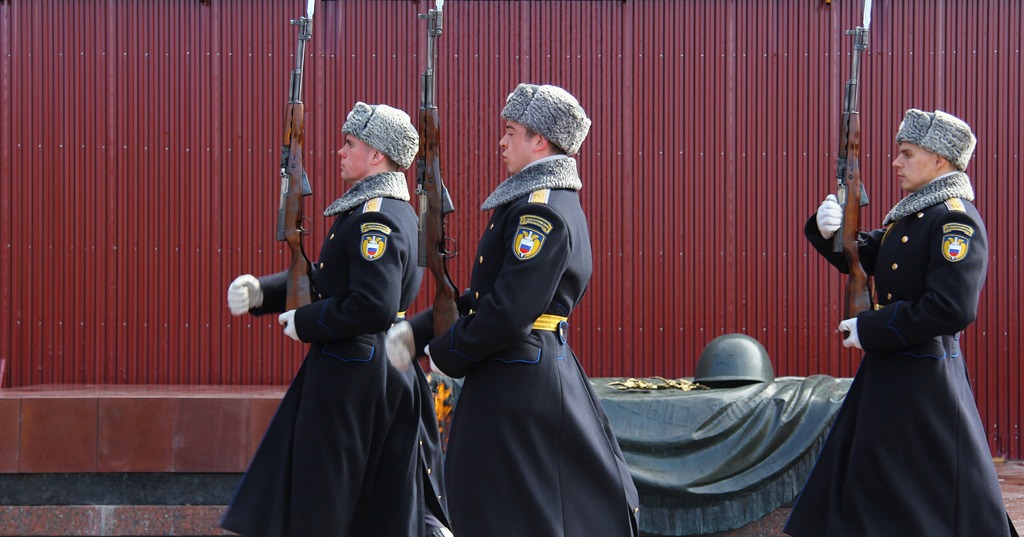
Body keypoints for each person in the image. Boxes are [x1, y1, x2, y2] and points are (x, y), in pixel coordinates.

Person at [392, 83, 640, 536]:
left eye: (510, 132)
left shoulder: (540, 213)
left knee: (508, 508)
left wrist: (447, 353)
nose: (501, 142)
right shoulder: (533, 202)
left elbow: (507, 312)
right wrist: (422, 330)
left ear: (539, 140)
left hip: (518, 379)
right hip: (519, 369)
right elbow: (489, 296)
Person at [220, 102, 450, 537]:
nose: (340, 152)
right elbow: (329, 281)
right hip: (368, 370)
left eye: (351, 144)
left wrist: (306, 322)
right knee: (367, 502)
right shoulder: (374, 209)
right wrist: (262, 293)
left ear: (377, 155)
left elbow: (371, 305)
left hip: (354, 377)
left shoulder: (375, 217)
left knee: (327, 498)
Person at [785, 109, 1017, 536]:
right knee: (872, 487)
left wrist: (869, 328)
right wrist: (828, 230)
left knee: (928, 496)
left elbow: (951, 308)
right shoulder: (914, 216)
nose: (896, 163)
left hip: (924, 382)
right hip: (894, 375)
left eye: (907, 154)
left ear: (939, 161)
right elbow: (868, 255)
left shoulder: (953, 219)